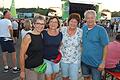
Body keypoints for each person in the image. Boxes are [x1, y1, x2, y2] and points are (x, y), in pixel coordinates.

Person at [81, 10, 109, 80]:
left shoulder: (101, 30)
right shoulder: (83, 28)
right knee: (86, 78)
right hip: (84, 61)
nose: (90, 20)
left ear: (95, 18)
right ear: (85, 19)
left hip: (96, 64)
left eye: (92, 18)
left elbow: (105, 46)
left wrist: (103, 62)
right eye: (88, 18)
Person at [19, 16, 45, 80]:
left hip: (41, 67)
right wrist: (22, 71)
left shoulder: (41, 35)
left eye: (42, 24)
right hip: (31, 69)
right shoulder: (28, 37)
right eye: (38, 23)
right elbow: (21, 55)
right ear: (33, 24)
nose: (40, 26)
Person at [60, 13, 82, 80]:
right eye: (71, 21)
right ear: (68, 21)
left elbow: (84, 44)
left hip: (75, 60)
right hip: (63, 59)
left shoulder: (80, 32)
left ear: (78, 23)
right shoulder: (62, 30)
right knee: (65, 77)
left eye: (75, 22)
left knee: (73, 78)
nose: (73, 23)